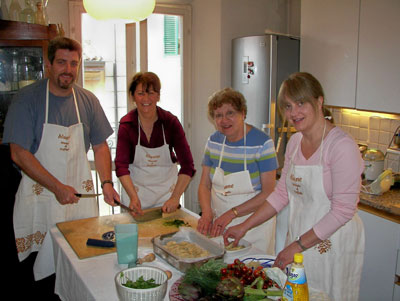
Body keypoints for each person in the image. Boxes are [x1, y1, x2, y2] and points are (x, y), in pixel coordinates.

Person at [224, 72, 365, 300]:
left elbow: (343, 210)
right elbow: (281, 194)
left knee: (326, 295)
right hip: (301, 238)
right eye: (288, 106)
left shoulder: (341, 146)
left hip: (332, 243)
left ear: (319, 102)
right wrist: (244, 226)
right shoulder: (296, 142)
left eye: (301, 103)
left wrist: (297, 246)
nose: (293, 113)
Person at [2, 36, 120, 282]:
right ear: (48, 64)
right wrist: (56, 187)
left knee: (81, 265)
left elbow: (99, 146)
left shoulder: (88, 100)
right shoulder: (27, 99)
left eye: (74, 64)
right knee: (42, 273)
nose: (68, 70)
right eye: (62, 63)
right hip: (41, 199)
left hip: (79, 200)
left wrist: (107, 183)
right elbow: (18, 152)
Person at [197, 88, 278, 254]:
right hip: (219, 224)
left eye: (230, 113)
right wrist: (206, 213)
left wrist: (232, 214)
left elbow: (269, 192)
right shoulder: (214, 141)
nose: (224, 120)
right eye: (218, 115)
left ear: (243, 113)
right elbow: (204, 185)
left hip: (254, 227)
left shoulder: (263, 143)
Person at [115, 72, 195, 215]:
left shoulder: (171, 123)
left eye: (151, 93)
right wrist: (133, 197)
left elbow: (188, 166)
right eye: (140, 93)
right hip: (135, 199)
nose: (146, 99)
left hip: (166, 200)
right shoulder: (127, 125)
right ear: (132, 96)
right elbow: (121, 166)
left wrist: (175, 198)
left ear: (158, 96)